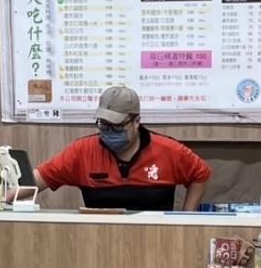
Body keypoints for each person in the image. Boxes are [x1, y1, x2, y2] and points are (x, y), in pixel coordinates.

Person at [29, 86, 211, 211]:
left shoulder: (169, 150)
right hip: (99, 241)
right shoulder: (82, 151)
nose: (109, 131)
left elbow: (200, 173)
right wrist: (12, 194)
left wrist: (186, 218)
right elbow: (36, 180)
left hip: (157, 240)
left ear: (136, 121)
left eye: (116, 126)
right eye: (103, 124)